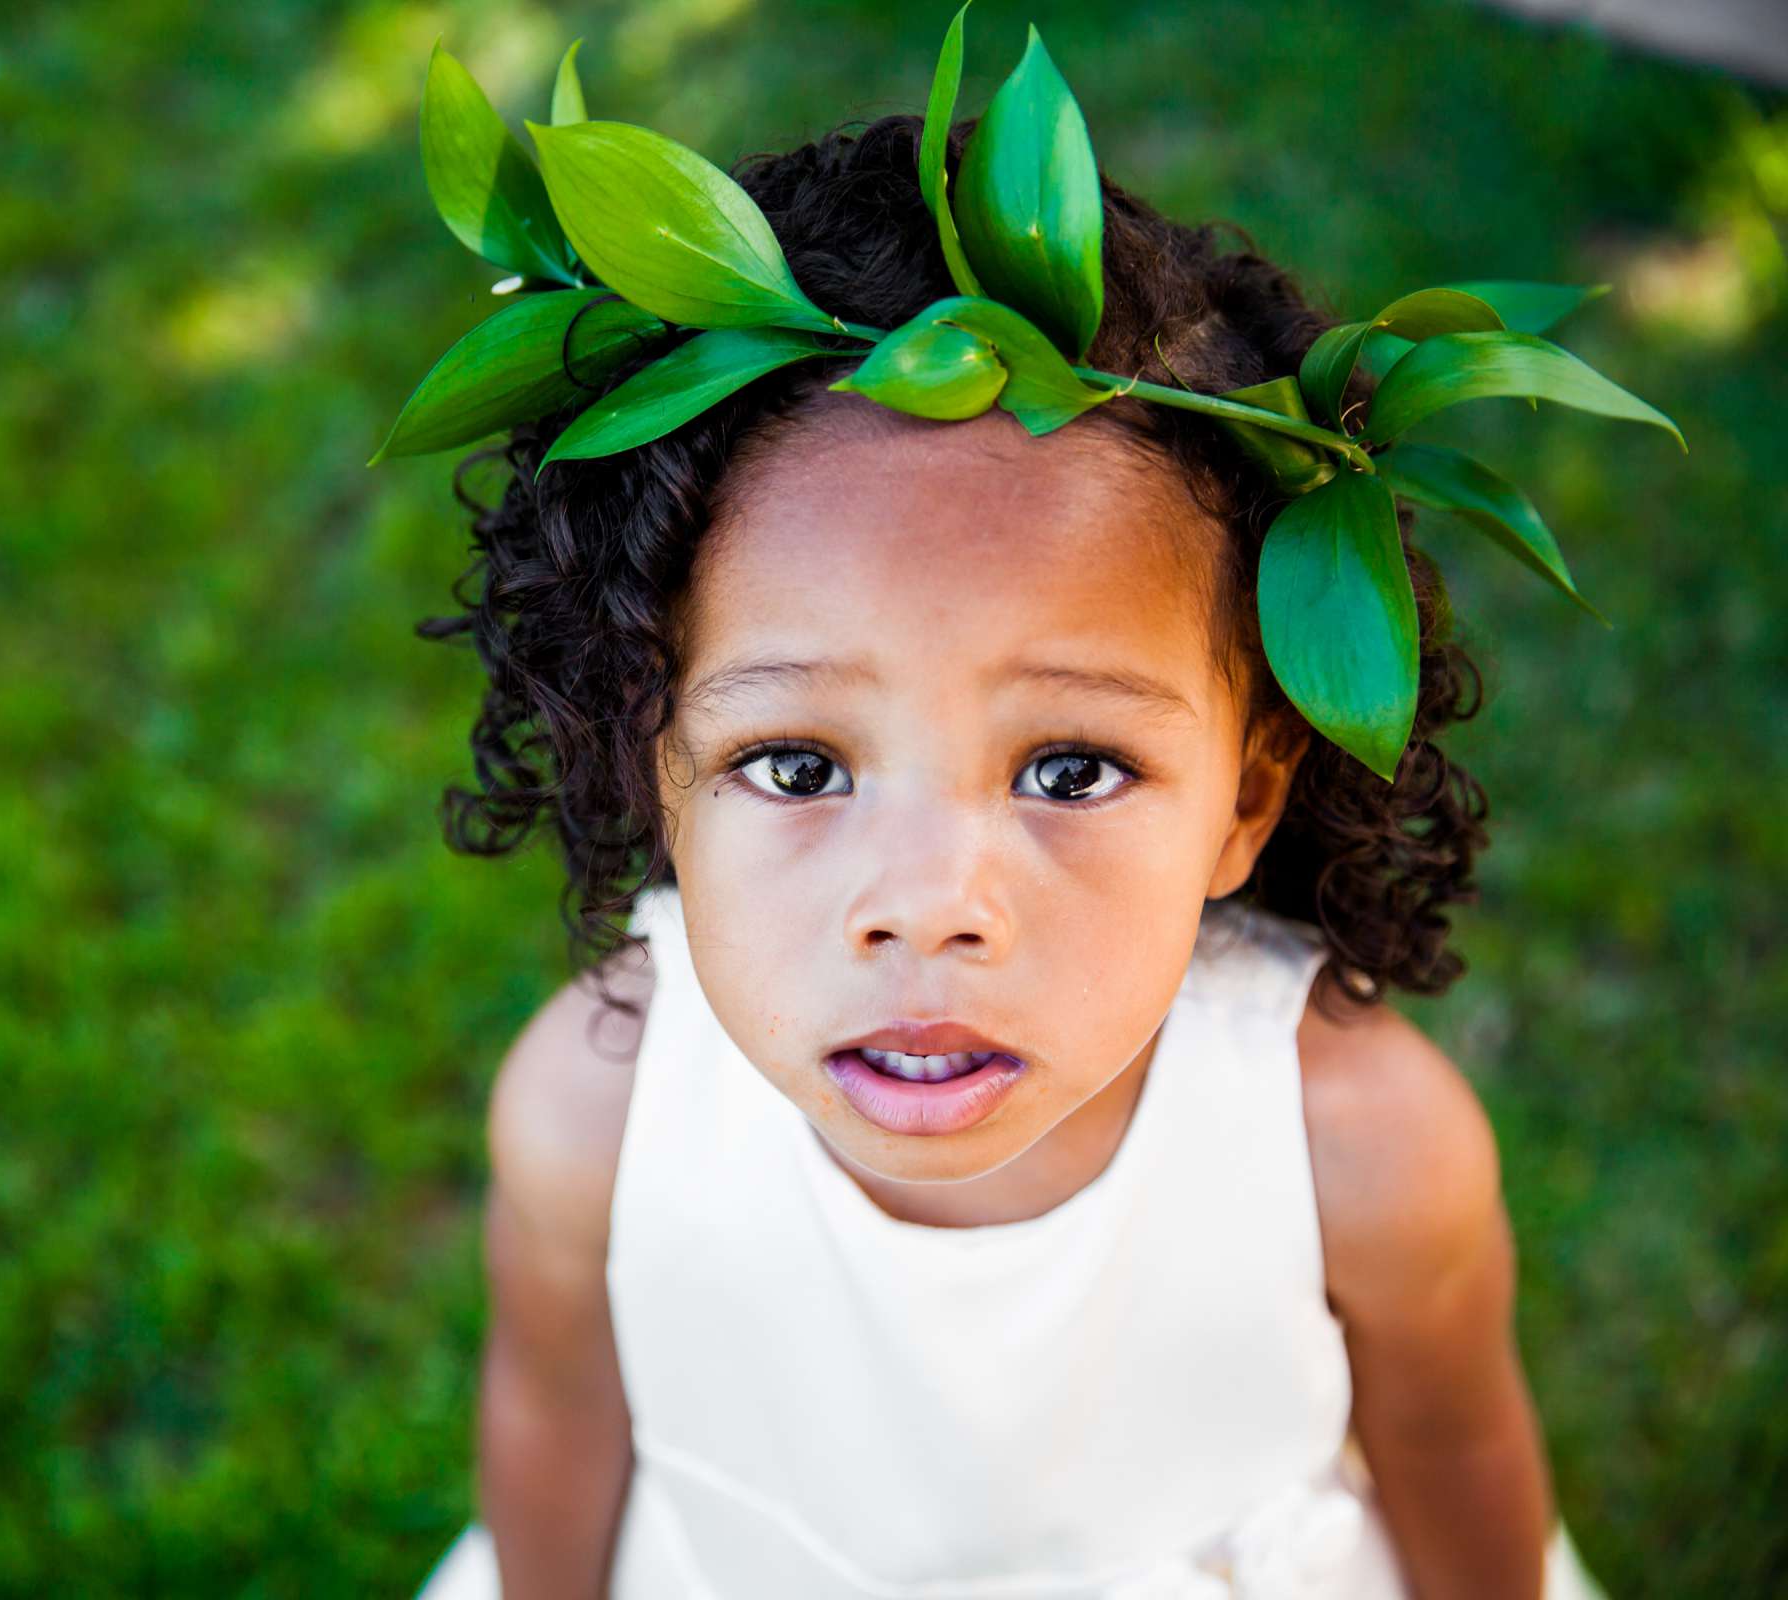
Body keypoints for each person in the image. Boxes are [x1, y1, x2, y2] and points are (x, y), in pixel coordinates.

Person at [396, 53, 1630, 1600]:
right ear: (660, 764)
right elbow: (554, 1411)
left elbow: (1454, 1447)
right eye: (795, 765)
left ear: (1248, 794)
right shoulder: (600, 1117)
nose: (927, 904)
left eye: (1067, 771)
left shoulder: (1357, 1144)